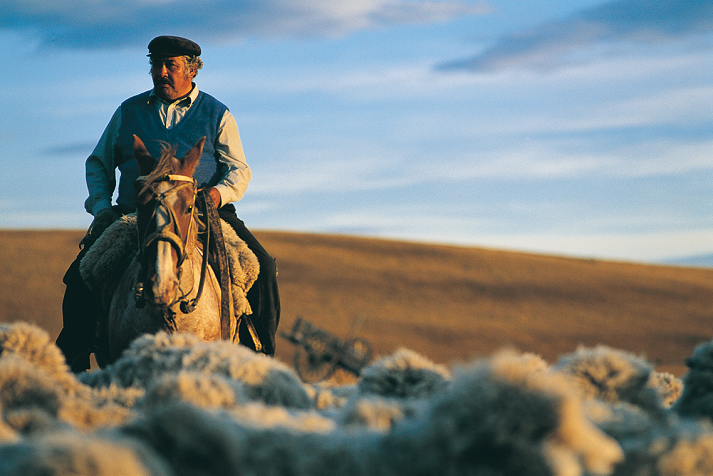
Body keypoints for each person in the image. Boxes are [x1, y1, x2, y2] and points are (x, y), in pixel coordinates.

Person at [56, 35, 280, 372]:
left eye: (169, 65)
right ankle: (71, 358)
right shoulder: (127, 111)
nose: (160, 72)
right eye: (155, 64)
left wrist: (218, 194)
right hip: (135, 215)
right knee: (81, 275)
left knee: (259, 266)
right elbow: (99, 164)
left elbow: (238, 169)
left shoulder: (216, 112)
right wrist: (102, 208)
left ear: (192, 70)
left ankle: (258, 355)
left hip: (203, 214)